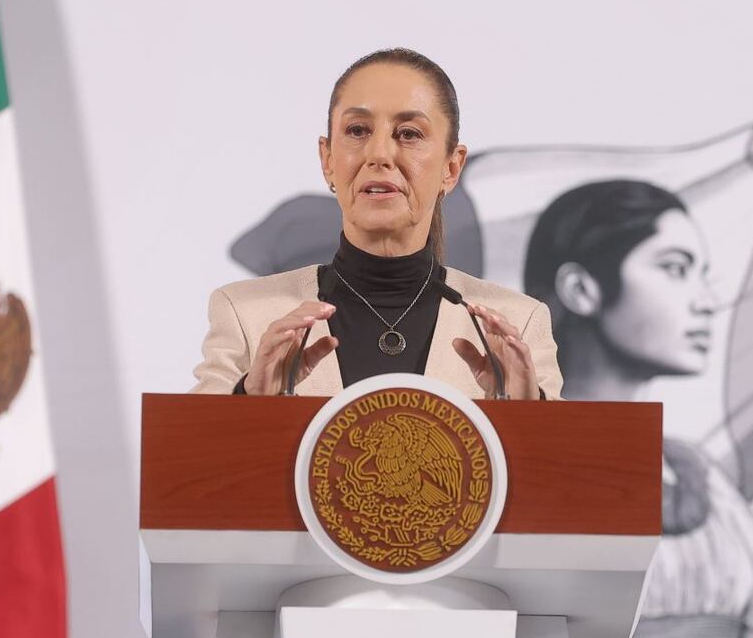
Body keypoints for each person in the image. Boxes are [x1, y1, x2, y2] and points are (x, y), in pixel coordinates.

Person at [524, 179, 753, 638]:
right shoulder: (516, 460)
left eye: (702, 274)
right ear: (581, 289)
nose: (706, 301)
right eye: (675, 269)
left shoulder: (692, 472)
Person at [192, 48, 562, 399]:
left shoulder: (519, 323)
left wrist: (526, 414)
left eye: (409, 134)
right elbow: (189, 444)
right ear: (327, 160)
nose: (379, 153)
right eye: (357, 131)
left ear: (451, 168)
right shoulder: (245, 313)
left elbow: (565, 446)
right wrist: (248, 399)